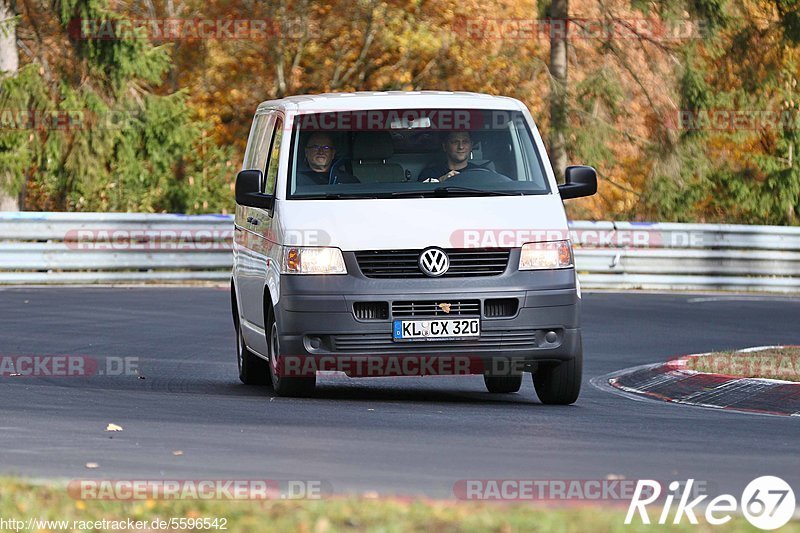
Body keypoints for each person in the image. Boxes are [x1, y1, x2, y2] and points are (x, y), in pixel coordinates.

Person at [418, 131, 482, 182]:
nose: (461, 147)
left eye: (465, 141)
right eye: (455, 142)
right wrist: (440, 181)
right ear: (445, 146)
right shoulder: (430, 174)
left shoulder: (482, 173)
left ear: (471, 146)